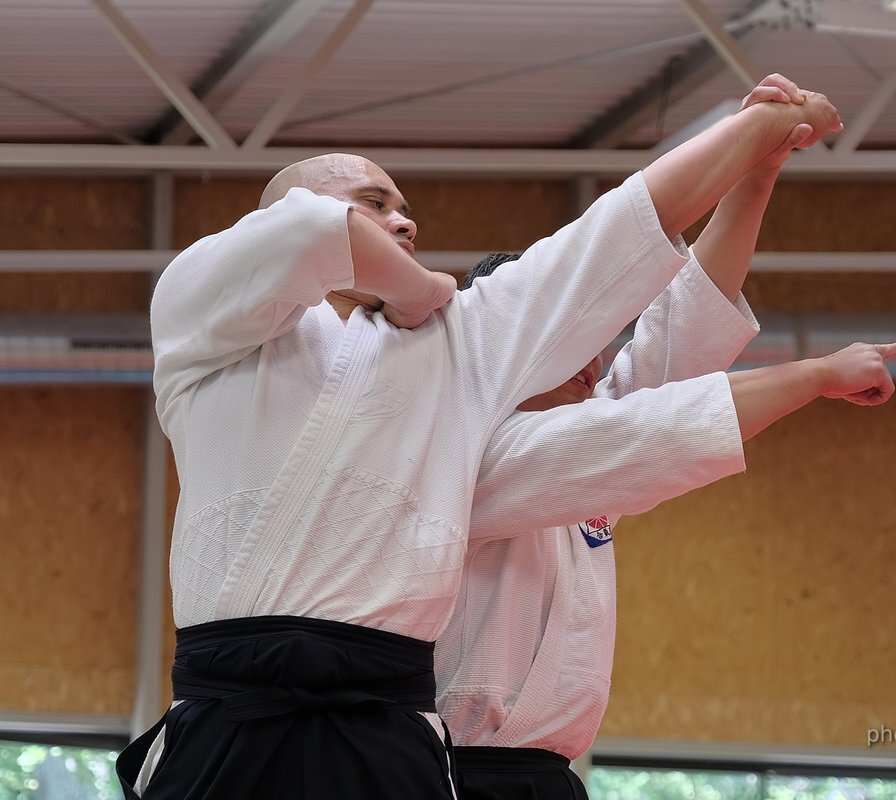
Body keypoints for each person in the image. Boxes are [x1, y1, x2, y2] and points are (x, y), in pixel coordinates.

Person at [116, 76, 845, 799]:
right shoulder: (197, 313)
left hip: (388, 718)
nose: (403, 221)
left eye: (406, 212)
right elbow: (308, 233)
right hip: (228, 710)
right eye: (375, 204)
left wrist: (755, 141)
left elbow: (611, 239)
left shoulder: (453, 358)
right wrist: (420, 288)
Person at [436, 117, 896, 799]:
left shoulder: (589, 431)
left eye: (592, 337)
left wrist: (756, 176)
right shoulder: (468, 455)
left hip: (546, 775)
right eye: (566, 337)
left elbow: (683, 331)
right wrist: (811, 377)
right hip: (452, 774)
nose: (590, 355)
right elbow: (649, 434)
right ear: (502, 350)